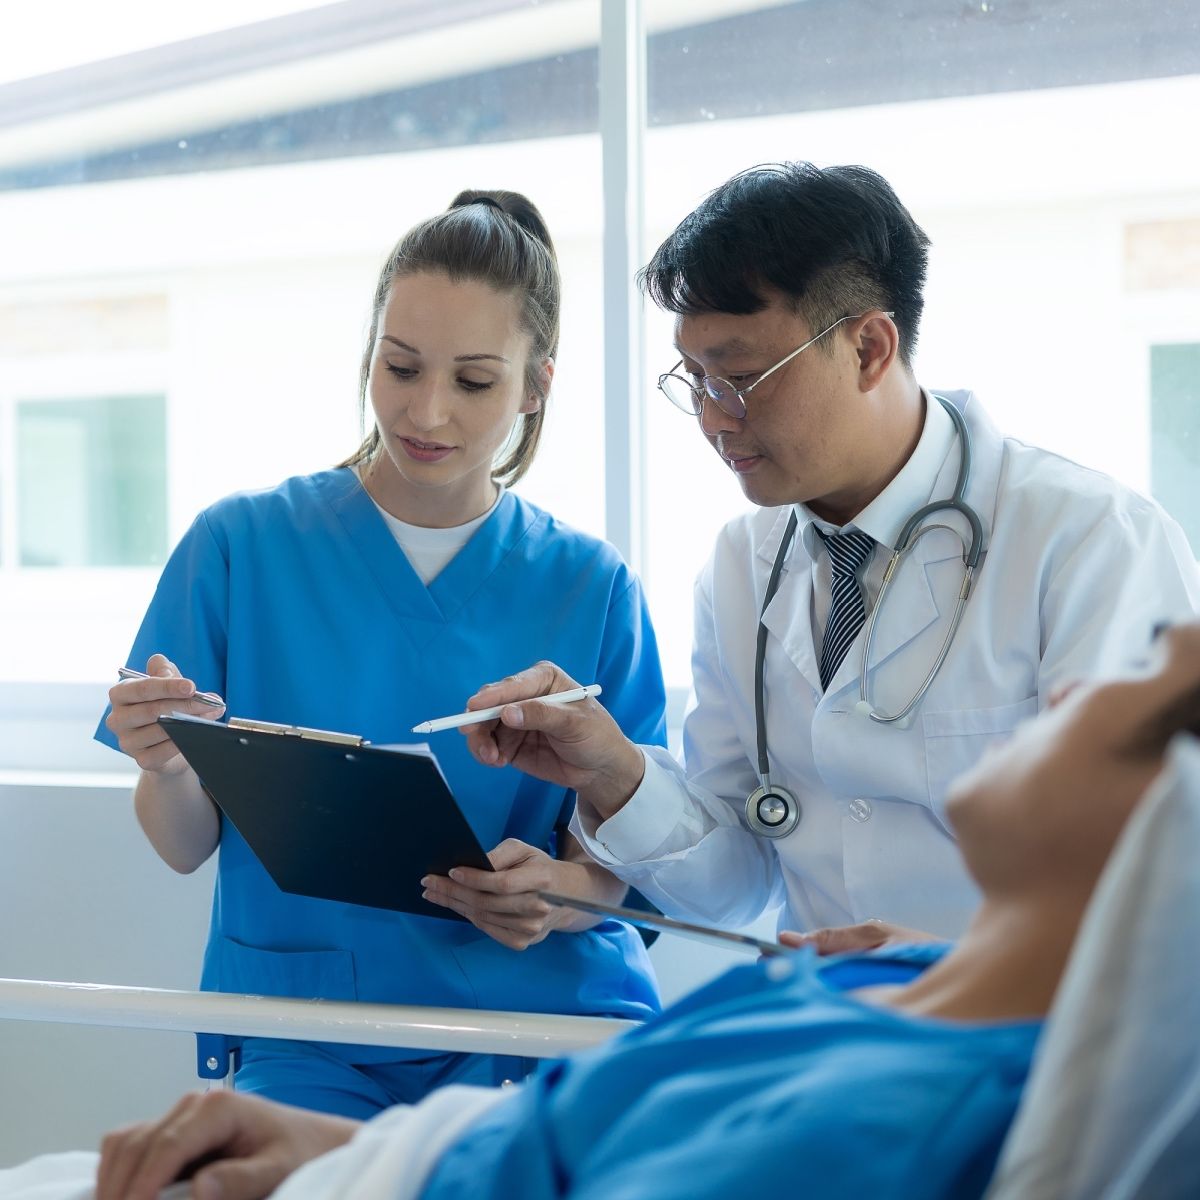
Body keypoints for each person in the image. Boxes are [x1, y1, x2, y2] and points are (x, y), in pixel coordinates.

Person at [20, 621, 1200, 1200]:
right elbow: (572, 1150)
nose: (1080, 679)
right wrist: (336, 1154)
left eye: (1144, 673)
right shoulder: (878, 981)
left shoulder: (889, 1112)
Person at [459, 161, 1200, 951]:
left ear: (869, 348)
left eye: (741, 378)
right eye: (696, 379)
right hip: (824, 1028)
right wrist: (611, 769)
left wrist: (942, 967)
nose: (713, 419)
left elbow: (1153, 886)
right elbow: (734, 882)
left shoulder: (1089, 544)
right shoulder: (743, 564)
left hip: (1019, 1046)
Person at [95, 189, 668, 1117]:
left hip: (543, 1021)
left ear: (536, 387)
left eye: (474, 382)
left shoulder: (590, 584)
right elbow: (182, 846)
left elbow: (628, 866)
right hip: (314, 1026)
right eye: (399, 367)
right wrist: (163, 762)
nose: (427, 411)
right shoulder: (240, 548)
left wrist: (558, 896)